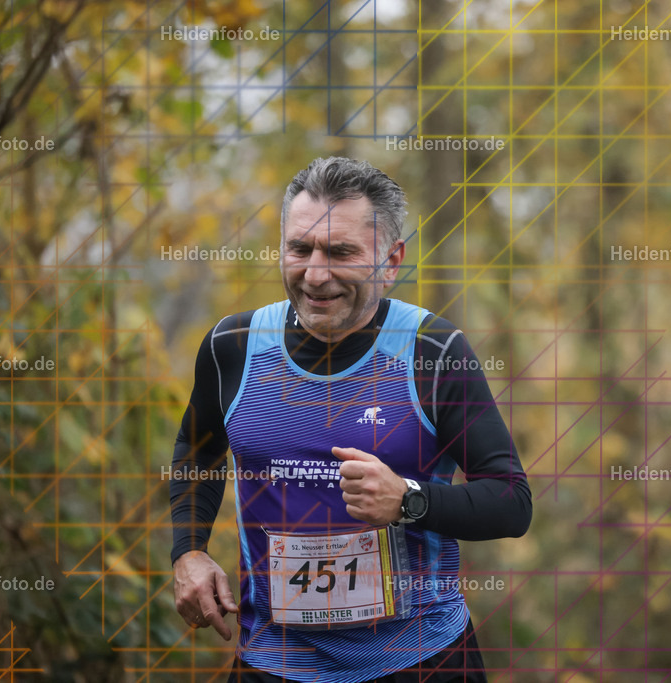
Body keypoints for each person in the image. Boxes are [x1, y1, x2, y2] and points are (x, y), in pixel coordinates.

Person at [169, 157, 532, 683]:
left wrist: (410, 499)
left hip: (421, 660)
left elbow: (511, 502)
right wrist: (189, 551)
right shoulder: (235, 347)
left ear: (391, 259)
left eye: (340, 252)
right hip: (275, 661)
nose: (316, 274)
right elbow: (197, 449)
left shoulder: (432, 352)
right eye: (300, 249)